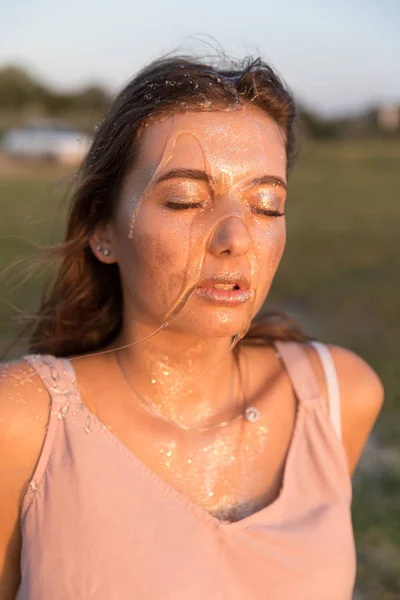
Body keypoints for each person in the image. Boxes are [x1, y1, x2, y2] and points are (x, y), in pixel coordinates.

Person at [0, 54, 384, 600]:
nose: (237, 238)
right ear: (103, 229)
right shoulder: (22, 423)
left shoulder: (338, 394)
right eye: (185, 200)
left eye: (267, 206)